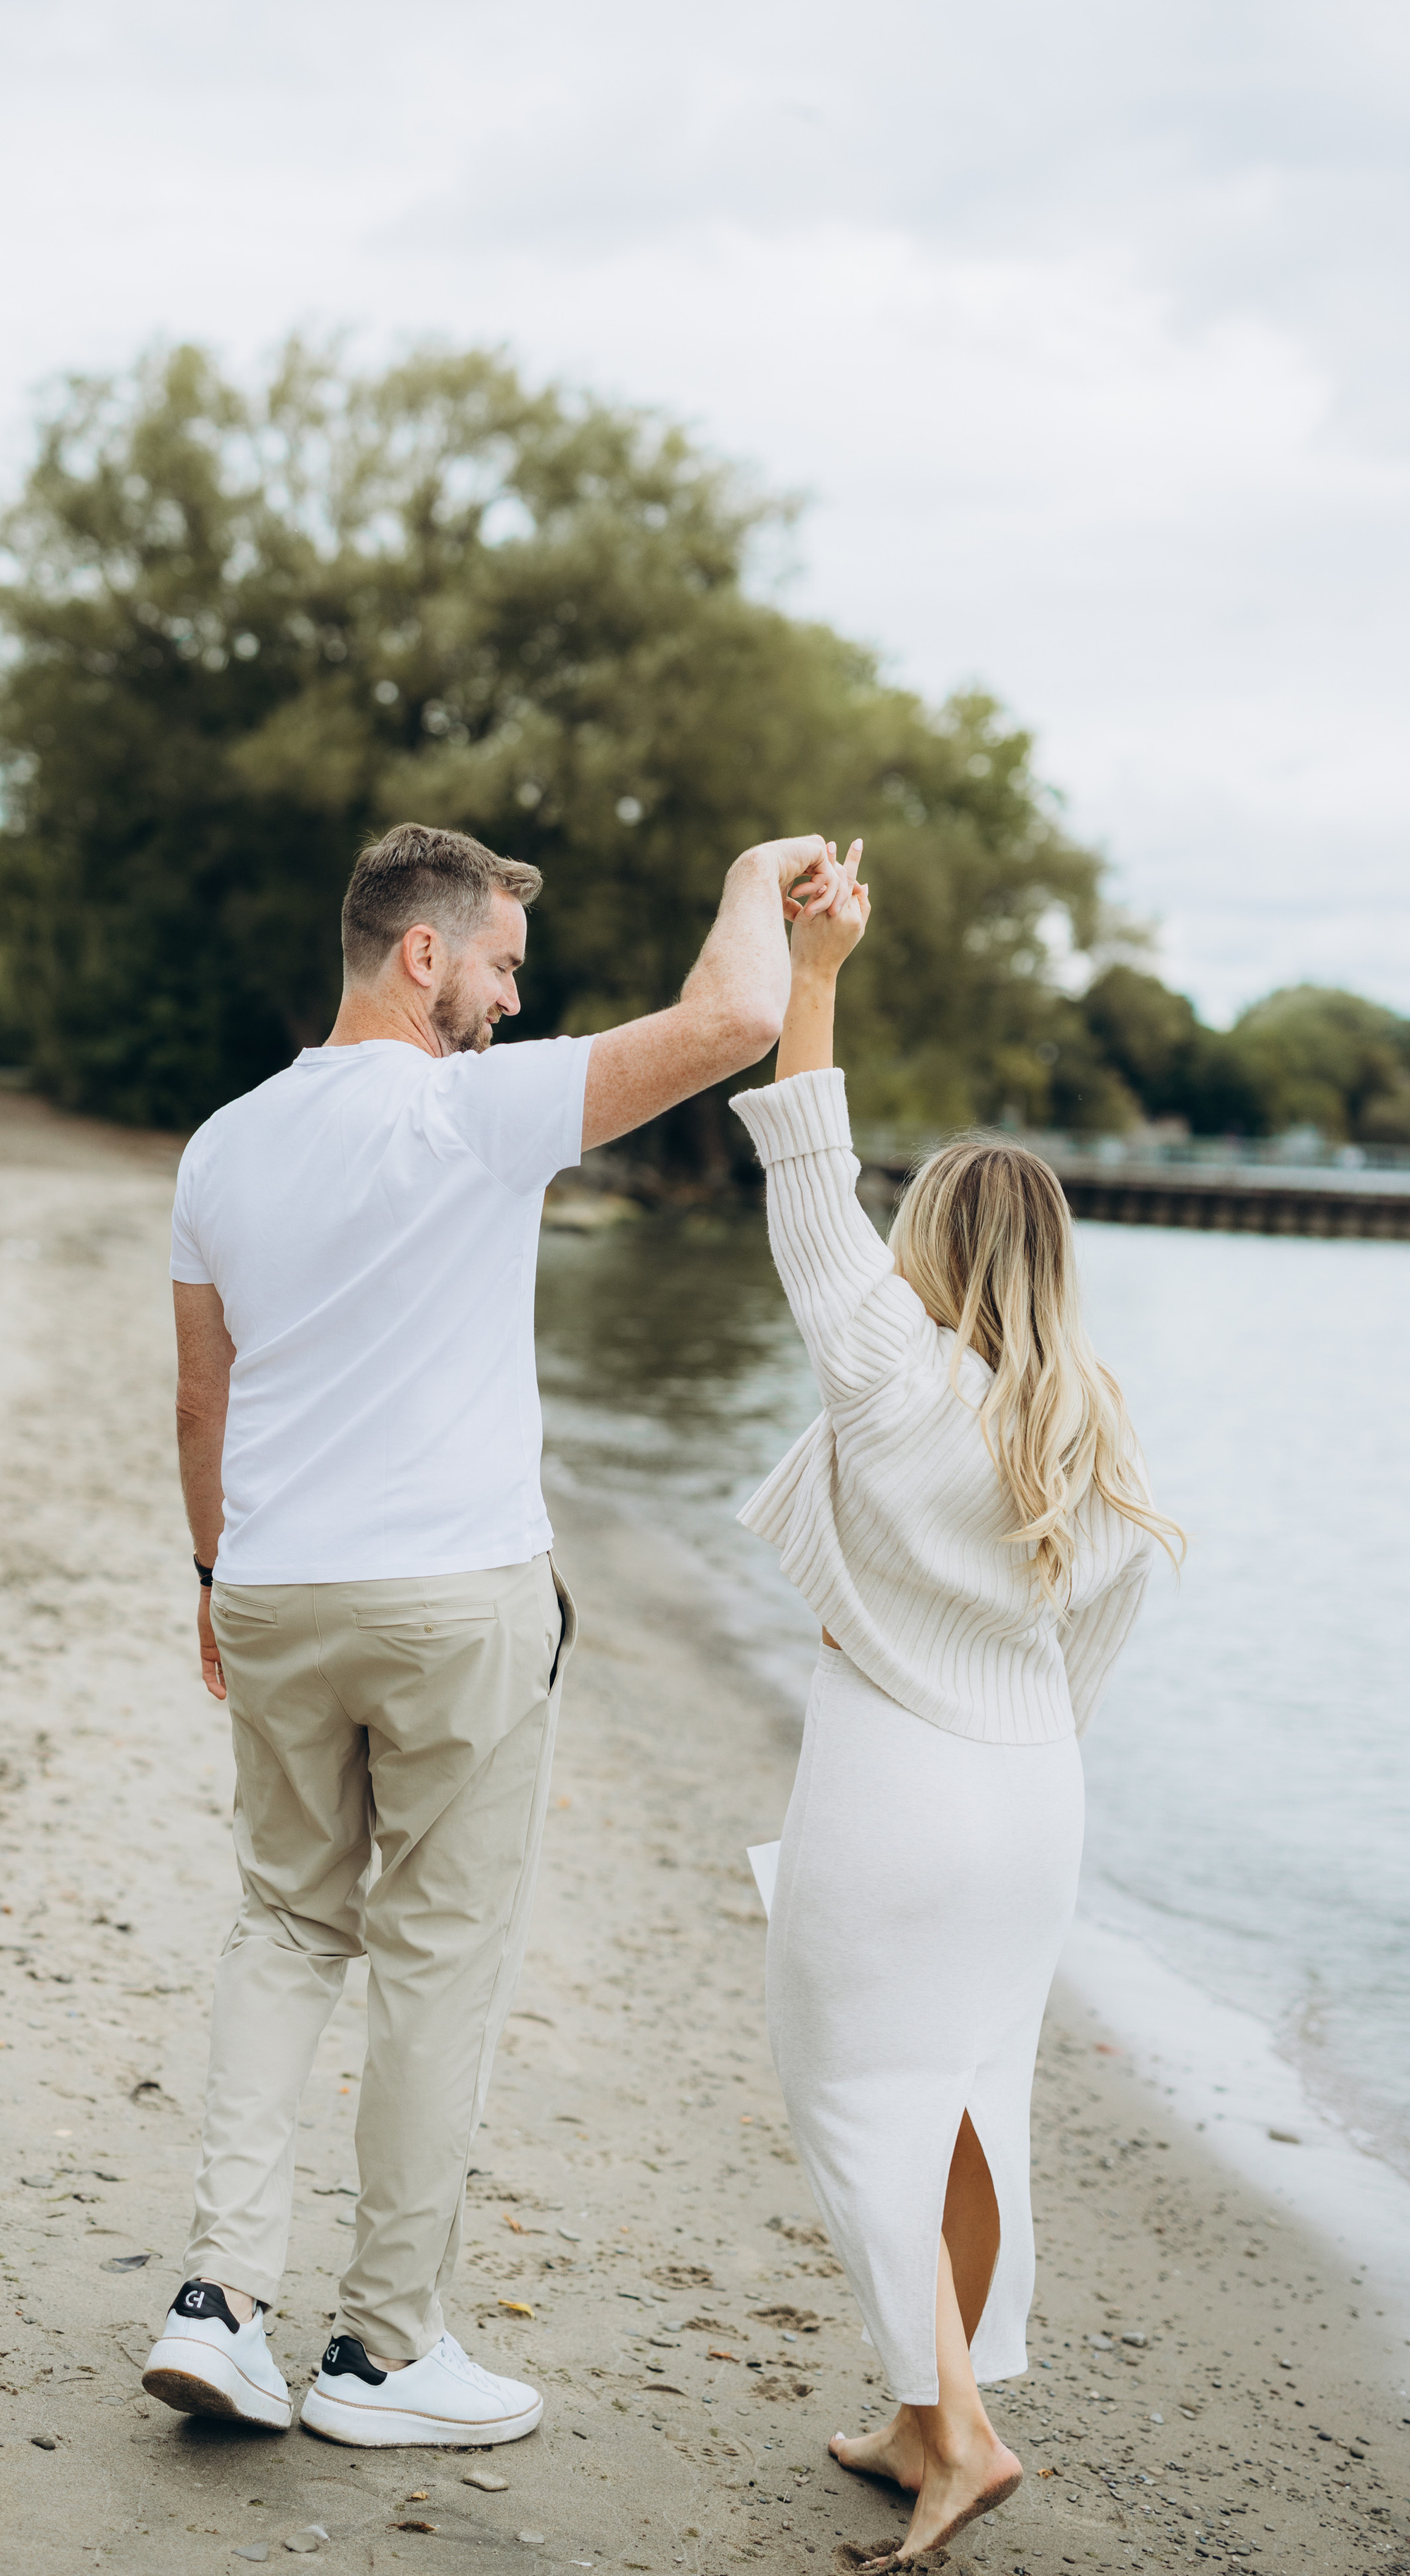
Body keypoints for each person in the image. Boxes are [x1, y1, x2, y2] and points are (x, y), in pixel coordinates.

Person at [141, 817, 841, 2449]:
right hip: (454, 1598)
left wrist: (208, 1581)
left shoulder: (222, 1145)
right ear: (423, 954)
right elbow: (734, 1023)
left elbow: (203, 1391)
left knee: (280, 1925)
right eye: (504, 971)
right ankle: (381, 2354)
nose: (515, 1007)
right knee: (435, 1960)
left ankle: (221, 2304)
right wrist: (753, 880)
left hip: (275, 1586)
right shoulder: (470, 1112)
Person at [729, 842, 1183, 2569]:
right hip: (1031, 1805)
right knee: (976, 2093)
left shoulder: (879, 1365)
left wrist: (819, 965)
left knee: (851, 2094)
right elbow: (1089, 1660)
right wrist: (1012, 1718)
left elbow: (804, 1156)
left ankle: (963, 2438)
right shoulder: (1094, 1433)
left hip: (894, 1788)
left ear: (925, 1239)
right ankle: (922, 2410)